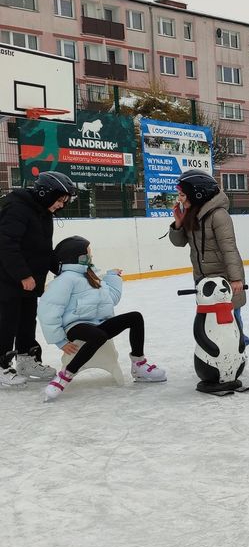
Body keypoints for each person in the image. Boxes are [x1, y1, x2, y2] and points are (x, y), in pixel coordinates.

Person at [38, 236, 167, 401]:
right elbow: (48, 311)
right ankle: (66, 375)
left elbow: (110, 300)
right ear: (77, 256)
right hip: (75, 325)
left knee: (135, 317)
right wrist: (60, 341)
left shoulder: (91, 275)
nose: (91, 256)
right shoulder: (65, 280)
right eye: (88, 253)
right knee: (98, 336)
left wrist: (112, 277)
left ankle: (138, 365)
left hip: (98, 323)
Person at [0, 171, 77, 387]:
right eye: (60, 200)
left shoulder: (42, 212)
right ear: (45, 193)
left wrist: (63, 269)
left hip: (29, 280)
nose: (61, 205)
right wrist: (23, 274)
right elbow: (6, 244)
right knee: (7, 321)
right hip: (8, 277)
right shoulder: (17, 208)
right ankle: (1, 365)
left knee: (27, 319)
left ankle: (26, 360)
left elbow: (42, 249)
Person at [169, 170, 249, 342]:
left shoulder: (218, 215)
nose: (179, 199)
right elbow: (179, 242)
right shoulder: (192, 213)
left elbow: (229, 248)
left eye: (183, 195)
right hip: (203, 279)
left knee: (231, 318)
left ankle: (239, 345)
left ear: (197, 194)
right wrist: (178, 222)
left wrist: (235, 279)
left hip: (224, 280)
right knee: (210, 322)